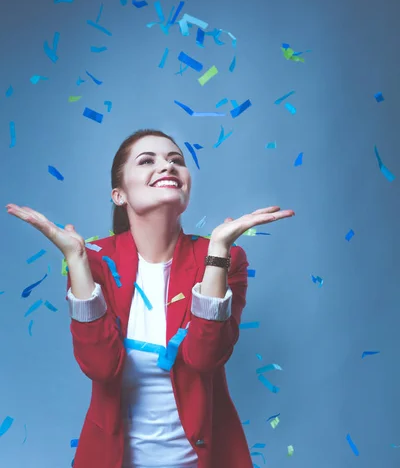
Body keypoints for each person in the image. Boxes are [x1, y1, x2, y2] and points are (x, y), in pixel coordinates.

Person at [6, 128, 295, 468]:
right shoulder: (94, 259)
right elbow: (101, 366)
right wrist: (76, 261)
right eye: (148, 160)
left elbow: (205, 357)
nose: (168, 167)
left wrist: (218, 252)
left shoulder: (226, 258)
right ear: (119, 195)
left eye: (176, 161)